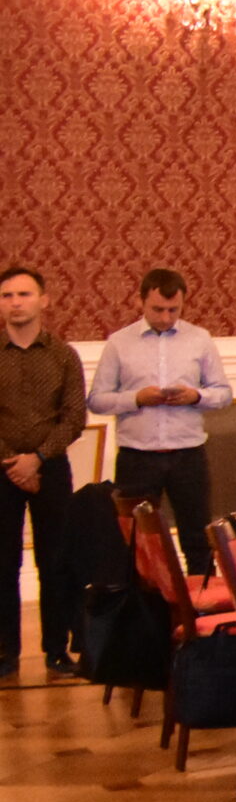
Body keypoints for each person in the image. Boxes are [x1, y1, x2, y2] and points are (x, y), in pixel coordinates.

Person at [90, 268, 231, 577]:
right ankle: (144, 608)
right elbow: (97, 400)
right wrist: (137, 398)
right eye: (158, 310)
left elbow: (223, 394)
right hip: (137, 458)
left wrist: (195, 396)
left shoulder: (200, 339)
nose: (166, 318)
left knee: (198, 539)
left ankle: (201, 603)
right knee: (136, 542)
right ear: (141, 301)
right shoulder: (119, 343)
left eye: (173, 310)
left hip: (188, 455)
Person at [0, 265, 86, 675]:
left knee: (55, 561)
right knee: (3, 563)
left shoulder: (63, 355)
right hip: (2, 470)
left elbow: (74, 417)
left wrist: (37, 458)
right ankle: (6, 652)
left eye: (24, 294)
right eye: (7, 296)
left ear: (43, 300)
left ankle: (56, 648)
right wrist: (14, 463)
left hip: (50, 468)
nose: (15, 303)